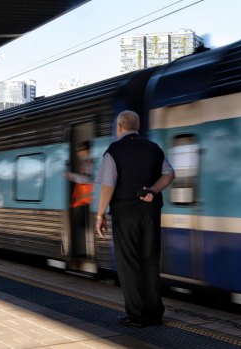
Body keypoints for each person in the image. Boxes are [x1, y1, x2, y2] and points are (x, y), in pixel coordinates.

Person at [95, 110, 175, 328]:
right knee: (149, 260)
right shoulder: (154, 149)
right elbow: (169, 175)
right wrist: (153, 189)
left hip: (125, 214)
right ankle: (154, 313)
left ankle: (137, 314)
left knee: (129, 262)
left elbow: (107, 186)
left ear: (120, 127)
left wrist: (100, 214)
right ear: (136, 126)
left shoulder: (114, 150)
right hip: (150, 214)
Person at [66, 141, 93, 258]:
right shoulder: (86, 162)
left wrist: (71, 176)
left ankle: (89, 252)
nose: (78, 154)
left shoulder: (90, 162)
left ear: (86, 150)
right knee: (81, 225)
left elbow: (88, 179)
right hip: (83, 202)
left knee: (84, 225)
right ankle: (87, 250)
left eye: (80, 151)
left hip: (88, 202)